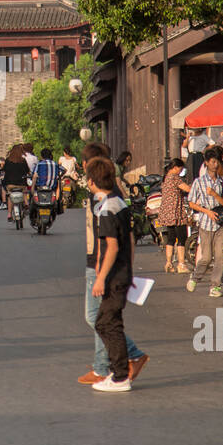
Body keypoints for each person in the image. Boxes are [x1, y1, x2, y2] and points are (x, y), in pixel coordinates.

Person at [77, 142, 148, 385]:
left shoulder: (106, 199)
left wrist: (103, 271)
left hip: (103, 266)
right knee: (102, 318)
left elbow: (116, 242)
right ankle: (112, 362)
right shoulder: (114, 197)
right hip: (108, 265)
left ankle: (107, 366)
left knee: (98, 318)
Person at [86, 155, 137, 393]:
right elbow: (130, 241)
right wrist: (131, 269)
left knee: (106, 324)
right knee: (110, 322)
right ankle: (119, 372)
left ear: (92, 182)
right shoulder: (121, 203)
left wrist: (100, 277)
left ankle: (119, 376)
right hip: (123, 272)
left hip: (114, 275)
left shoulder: (106, 210)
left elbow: (113, 246)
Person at [187, 146, 223, 298]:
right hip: (206, 222)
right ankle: (195, 276)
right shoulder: (198, 182)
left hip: (221, 223)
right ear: (206, 163)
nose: (215, 165)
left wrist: (213, 194)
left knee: (220, 257)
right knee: (206, 257)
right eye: (212, 162)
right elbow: (191, 202)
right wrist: (207, 212)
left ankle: (215, 286)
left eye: (216, 162)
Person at [156, 159, 192, 274]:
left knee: (171, 238)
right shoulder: (175, 178)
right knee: (182, 237)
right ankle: (181, 264)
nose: (181, 171)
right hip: (176, 212)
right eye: (180, 169)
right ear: (176, 167)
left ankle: (169, 263)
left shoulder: (166, 177)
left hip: (167, 212)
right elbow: (188, 189)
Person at [2, 145, 31, 222]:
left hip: (10, 184)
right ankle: (26, 204)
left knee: (10, 196)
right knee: (24, 191)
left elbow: (4, 170)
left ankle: (9, 214)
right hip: (21, 184)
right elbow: (28, 171)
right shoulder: (23, 160)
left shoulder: (8, 160)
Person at [32, 147, 60, 219]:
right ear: (50, 155)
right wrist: (57, 176)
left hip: (40, 187)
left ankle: (32, 214)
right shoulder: (56, 164)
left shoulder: (39, 164)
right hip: (52, 188)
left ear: (41, 156)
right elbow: (64, 170)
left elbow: (34, 174)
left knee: (32, 197)